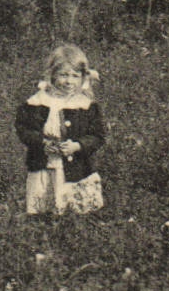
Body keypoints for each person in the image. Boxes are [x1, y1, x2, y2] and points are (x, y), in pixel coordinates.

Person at [14, 43, 106, 215]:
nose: (69, 81)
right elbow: (24, 128)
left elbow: (98, 135)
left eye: (75, 76)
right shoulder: (38, 101)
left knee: (75, 209)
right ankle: (45, 230)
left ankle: (70, 230)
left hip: (76, 167)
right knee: (44, 207)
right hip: (45, 166)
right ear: (52, 75)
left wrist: (78, 146)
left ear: (82, 78)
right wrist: (42, 143)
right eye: (63, 75)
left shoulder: (85, 105)